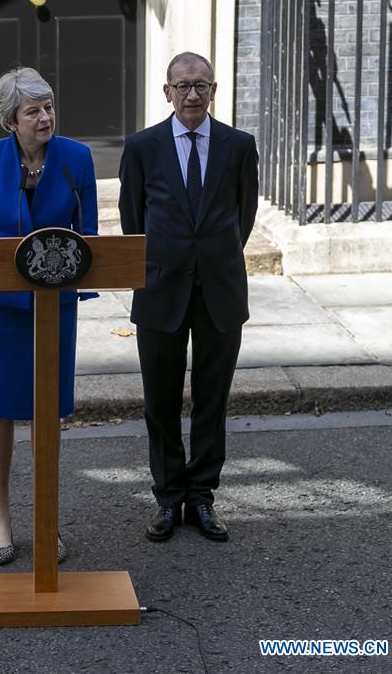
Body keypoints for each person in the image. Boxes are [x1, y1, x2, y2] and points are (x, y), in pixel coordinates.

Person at [0, 66, 98, 564]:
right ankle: (0, 518)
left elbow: (91, 239)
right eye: (32, 110)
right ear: (10, 120)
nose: (45, 117)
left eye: (49, 107)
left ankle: (47, 521)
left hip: (53, 305)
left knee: (47, 414)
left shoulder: (76, 158)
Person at [118, 52, 258, 543]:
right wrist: (164, 263)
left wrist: (212, 259)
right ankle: (167, 497)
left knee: (212, 400)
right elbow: (133, 220)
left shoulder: (239, 146)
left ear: (214, 91)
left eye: (201, 85)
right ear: (167, 92)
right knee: (159, 399)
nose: (192, 94)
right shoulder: (142, 147)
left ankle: (201, 496)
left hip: (219, 288)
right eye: (183, 86)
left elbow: (245, 216)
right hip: (160, 289)